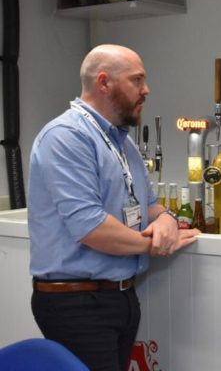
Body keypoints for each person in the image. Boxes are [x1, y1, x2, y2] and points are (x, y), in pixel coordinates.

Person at [28, 44, 198, 371]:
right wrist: (158, 244)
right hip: (75, 302)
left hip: (119, 298)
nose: (146, 90)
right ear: (104, 83)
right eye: (137, 80)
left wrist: (167, 222)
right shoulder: (66, 137)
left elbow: (149, 206)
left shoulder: (124, 142)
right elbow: (91, 229)